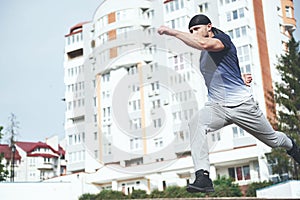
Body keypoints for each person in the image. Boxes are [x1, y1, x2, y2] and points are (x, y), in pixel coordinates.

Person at [157, 14, 300, 193]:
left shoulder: (222, 39)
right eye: (191, 31)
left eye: (197, 29)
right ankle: (203, 176)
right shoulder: (204, 55)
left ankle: (292, 145)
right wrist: (240, 78)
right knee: (196, 122)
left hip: (242, 106)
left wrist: (171, 32)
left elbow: (204, 44)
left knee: (273, 141)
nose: (194, 33)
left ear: (209, 27)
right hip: (217, 107)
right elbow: (224, 70)